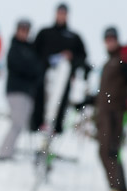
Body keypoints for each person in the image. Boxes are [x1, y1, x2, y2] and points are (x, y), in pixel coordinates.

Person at [95, 27, 127, 191]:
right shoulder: (109, 63)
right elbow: (105, 92)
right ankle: (116, 189)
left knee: (113, 149)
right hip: (105, 113)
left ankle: (122, 190)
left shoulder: (123, 60)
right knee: (104, 149)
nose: (110, 41)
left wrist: (126, 100)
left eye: (112, 38)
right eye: (107, 39)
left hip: (117, 112)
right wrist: (89, 100)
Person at [31, 3, 87, 134]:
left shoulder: (74, 37)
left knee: (59, 106)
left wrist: (71, 59)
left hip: (63, 81)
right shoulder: (45, 33)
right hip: (43, 79)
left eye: (64, 13)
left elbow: (82, 57)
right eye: (59, 13)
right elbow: (34, 53)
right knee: (41, 104)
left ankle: (54, 130)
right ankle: (38, 126)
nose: (61, 16)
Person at [0, 19, 42, 161]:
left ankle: (10, 151)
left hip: (28, 92)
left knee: (23, 123)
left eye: (26, 30)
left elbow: (37, 69)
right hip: (16, 91)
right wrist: (32, 70)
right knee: (17, 122)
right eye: (21, 29)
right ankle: (4, 154)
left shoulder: (32, 49)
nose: (24, 32)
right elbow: (21, 67)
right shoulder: (14, 48)